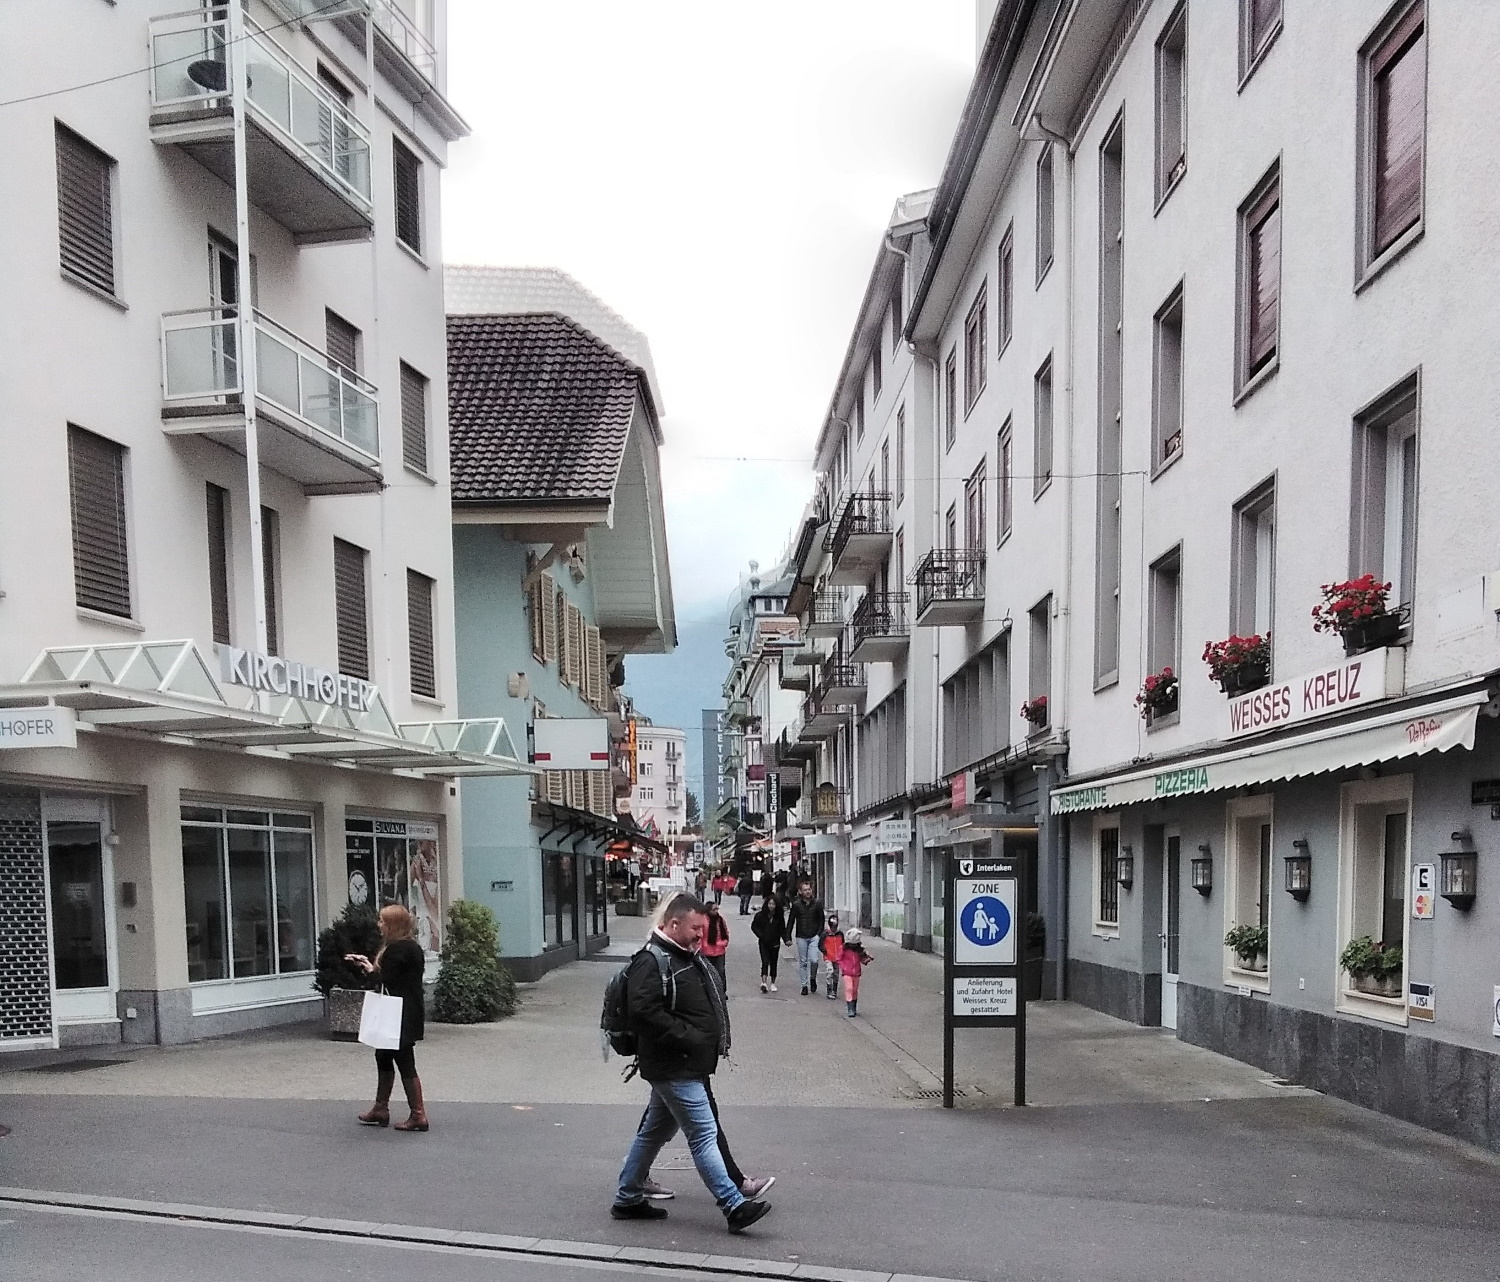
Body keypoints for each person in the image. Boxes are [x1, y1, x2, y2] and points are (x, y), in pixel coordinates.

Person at [611, 894, 772, 1234]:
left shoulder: (682, 956)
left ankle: (627, 1198)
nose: (701, 934)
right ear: (674, 924)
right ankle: (733, 1204)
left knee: (653, 1133)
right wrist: (690, 1037)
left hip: (681, 1064)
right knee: (703, 1134)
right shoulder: (651, 961)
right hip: (674, 1066)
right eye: (696, 928)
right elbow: (643, 1013)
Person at [347, 904, 429, 1132]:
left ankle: (418, 1114)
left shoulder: (397, 950)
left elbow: (386, 980)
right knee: (383, 1055)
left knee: (404, 1060)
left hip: (397, 1013)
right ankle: (380, 1108)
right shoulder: (412, 947)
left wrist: (368, 968)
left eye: (383, 921)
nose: (379, 925)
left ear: (393, 925)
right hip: (407, 1010)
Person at [785, 879, 826, 996]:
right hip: (801, 936)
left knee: (814, 960)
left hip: (814, 936)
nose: (808, 892)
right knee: (803, 962)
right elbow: (791, 921)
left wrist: (818, 934)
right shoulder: (796, 905)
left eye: (809, 889)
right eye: (805, 890)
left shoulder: (817, 904)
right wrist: (787, 937)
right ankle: (804, 985)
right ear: (800, 892)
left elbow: (821, 920)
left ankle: (813, 977)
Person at [750, 893, 786, 993]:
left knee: (774, 962)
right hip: (764, 942)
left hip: (775, 942)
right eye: (770, 904)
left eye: (773, 904)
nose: (771, 906)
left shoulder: (779, 917)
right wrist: (761, 935)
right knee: (765, 961)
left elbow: (782, 929)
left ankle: (773, 983)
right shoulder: (760, 915)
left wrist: (786, 939)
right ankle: (764, 982)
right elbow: (754, 926)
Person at [838, 927, 874, 1017]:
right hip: (847, 972)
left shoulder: (859, 950)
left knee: (854, 990)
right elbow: (839, 958)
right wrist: (844, 967)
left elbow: (862, 960)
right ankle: (850, 1008)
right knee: (849, 988)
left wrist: (867, 959)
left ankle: (853, 1006)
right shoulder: (843, 949)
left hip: (856, 972)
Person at [700, 900, 730, 994]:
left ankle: (722, 992)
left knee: (720, 972)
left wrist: (725, 942)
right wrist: (701, 947)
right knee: (707, 972)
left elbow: (725, 932)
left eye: (717, 909)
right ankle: (709, 991)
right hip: (706, 951)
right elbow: (699, 935)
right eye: (714, 909)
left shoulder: (720, 920)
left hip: (719, 950)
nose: (716, 911)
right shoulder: (703, 920)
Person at [819, 913, 845, 1000]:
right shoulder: (825, 934)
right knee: (830, 972)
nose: (834, 929)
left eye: (835, 927)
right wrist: (825, 951)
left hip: (837, 957)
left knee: (836, 974)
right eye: (832, 927)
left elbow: (843, 944)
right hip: (828, 957)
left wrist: (842, 953)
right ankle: (829, 990)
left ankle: (834, 990)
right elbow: (820, 944)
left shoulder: (840, 934)